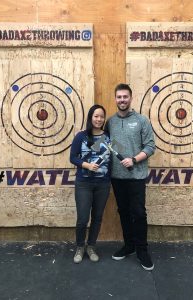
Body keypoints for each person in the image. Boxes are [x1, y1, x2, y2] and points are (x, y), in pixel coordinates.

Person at [105, 83, 156, 271]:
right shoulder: (110, 122)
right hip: (117, 177)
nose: (122, 100)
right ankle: (129, 246)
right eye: (119, 97)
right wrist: (84, 136)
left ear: (131, 98)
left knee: (139, 213)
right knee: (124, 212)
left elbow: (150, 146)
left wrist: (133, 160)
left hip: (136, 176)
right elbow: (105, 143)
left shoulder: (142, 121)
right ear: (115, 99)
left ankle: (142, 250)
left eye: (125, 97)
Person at [70, 104, 111, 264]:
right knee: (82, 218)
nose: (99, 119)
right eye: (96, 116)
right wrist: (86, 165)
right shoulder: (80, 136)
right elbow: (72, 157)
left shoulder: (108, 137)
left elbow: (115, 157)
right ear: (90, 117)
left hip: (103, 184)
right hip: (84, 183)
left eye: (101, 116)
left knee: (97, 217)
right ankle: (80, 246)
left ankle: (91, 246)